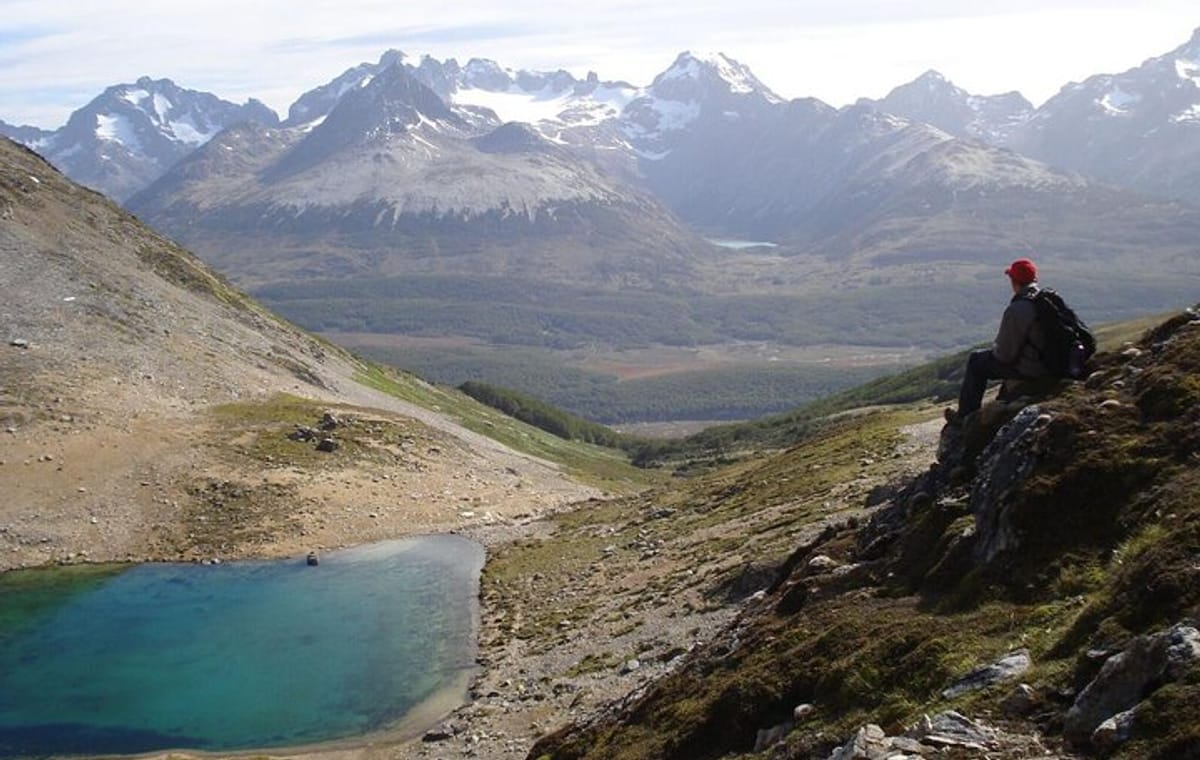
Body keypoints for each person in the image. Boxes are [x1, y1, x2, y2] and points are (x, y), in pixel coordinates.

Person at [945, 257, 1049, 425]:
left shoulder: (1017, 309)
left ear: (1014, 281)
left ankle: (965, 417)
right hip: (1050, 363)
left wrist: (994, 350)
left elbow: (1004, 356)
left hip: (1033, 368)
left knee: (976, 361)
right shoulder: (1046, 300)